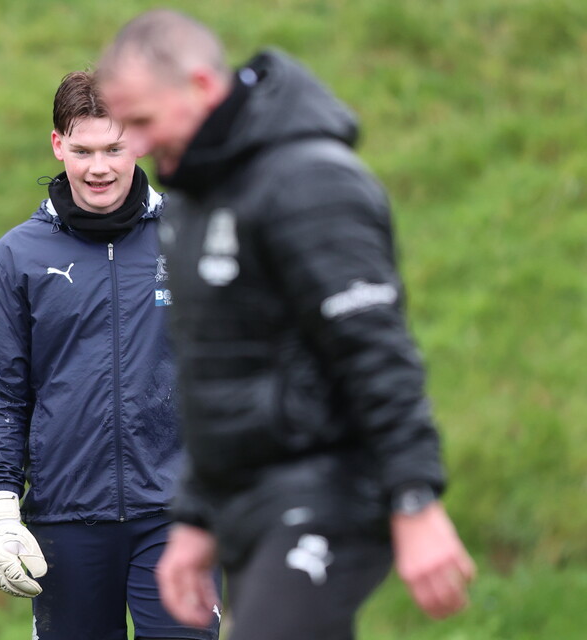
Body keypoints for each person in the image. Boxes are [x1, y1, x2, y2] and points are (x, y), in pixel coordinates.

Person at [97, 10, 476, 639]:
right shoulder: (191, 201)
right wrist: (195, 517)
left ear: (201, 86)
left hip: (327, 487)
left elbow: (376, 352)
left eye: (141, 121)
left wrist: (415, 501)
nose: (133, 146)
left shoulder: (311, 182)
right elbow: (207, 373)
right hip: (249, 503)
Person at [0, 70, 221, 640]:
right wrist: (2, 512)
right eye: (82, 150)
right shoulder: (17, 257)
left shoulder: (189, 235)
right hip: (65, 518)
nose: (99, 167)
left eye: (115, 147)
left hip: (179, 517)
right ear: (58, 145)